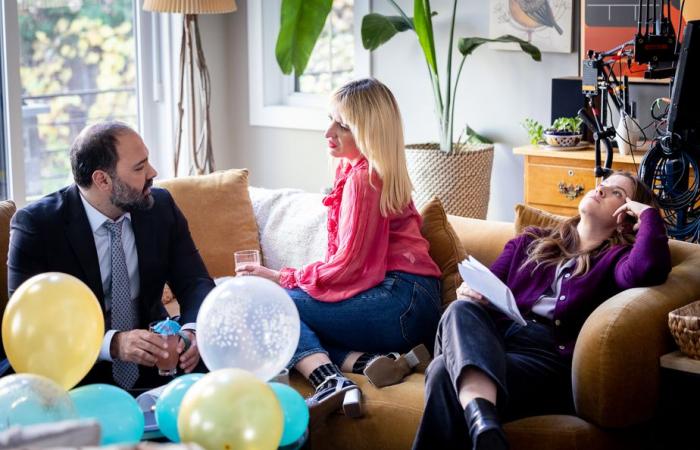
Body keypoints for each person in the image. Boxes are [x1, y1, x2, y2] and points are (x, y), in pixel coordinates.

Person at [411, 171, 672, 450]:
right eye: (603, 184)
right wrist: (471, 292)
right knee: (461, 309)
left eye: (617, 193)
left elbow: (649, 268)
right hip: (496, 345)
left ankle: (483, 423)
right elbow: (488, 287)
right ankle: (485, 427)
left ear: (626, 217)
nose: (601, 190)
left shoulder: (617, 261)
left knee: (441, 370)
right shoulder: (529, 241)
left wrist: (647, 215)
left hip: (545, 363)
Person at [236, 78, 442, 425]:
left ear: (367, 132)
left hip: (399, 300)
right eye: (331, 119)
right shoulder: (367, 172)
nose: (328, 132)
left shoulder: (365, 180)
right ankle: (370, 363)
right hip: (415, 304)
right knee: (303, 319)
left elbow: (350, 267)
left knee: (272, 305)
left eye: (342, 125)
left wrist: (282, 278)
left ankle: (330, 381)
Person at [7, 121, 215, 390]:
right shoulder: (37, 226)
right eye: (139, 168)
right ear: (102, 180)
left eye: (147, 161)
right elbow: (33, 323)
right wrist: (113, 344)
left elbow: (195, 281)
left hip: (155, 357)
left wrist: (192, 332)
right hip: (74, 364)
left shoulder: (160, 207)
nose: (153, 172)